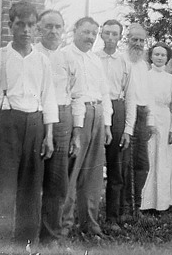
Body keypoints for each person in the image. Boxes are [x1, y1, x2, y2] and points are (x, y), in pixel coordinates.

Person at [0, 1, 58, 244]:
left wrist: (49, 135)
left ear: (36, 29)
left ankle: (26, 243)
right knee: (2, 189)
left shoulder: (42, 61)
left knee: (31, 190)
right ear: (11, 26)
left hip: (35, 125)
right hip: (6, 124)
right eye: (20, 24)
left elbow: (49, 97)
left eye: (31, 25)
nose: (25, 30)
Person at [62, 17, 113, 238]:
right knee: (71, 173)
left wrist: (108, 125)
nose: (90, 37)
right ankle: (63, 224)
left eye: (94, 33)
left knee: (93, 175)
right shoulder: (64, 55)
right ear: (75, 30)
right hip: (76, 116)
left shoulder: (94, 60)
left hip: (98, 114)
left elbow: (105, 93)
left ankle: (89, 224)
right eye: (86, 32)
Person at [36, 10, 81, 243]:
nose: (53, 31)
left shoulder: (68, 58)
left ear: (63, 29)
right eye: (48, 26)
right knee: (32, 177)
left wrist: (76, 133)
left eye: (57, 27)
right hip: (35, 115)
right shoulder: (31, 54)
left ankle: (50, 236)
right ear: (39, 28)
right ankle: (27, 232)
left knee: (57, 180)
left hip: (63, 117)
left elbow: (77, 96)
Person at [96, 19, 133, 232]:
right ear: (101, 34)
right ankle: (83, 214)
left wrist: (128, 128)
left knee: (115, 165)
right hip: (95, 107)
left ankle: (112, 216)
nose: (110, 37)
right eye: (107, 33)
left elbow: (130, 95)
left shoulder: (124, 62)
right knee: (88, 163)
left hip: (117, 108)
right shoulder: (93, 58)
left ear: (120, 37)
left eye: (115, 34)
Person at [140, 42, 172, 211]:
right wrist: (148, 123)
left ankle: (161, 203)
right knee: (149, 158)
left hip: (165, 118)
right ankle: (146, 202)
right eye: (156, 54)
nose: (160, 58)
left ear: (168, 59)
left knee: (163, 160)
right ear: (150, 56)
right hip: (148, 117)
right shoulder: (144, 76)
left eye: (163, 55)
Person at [123, 22, 154, 218]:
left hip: (142, 116)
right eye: (134, 39)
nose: (138, 43)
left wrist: (150, 120)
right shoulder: (121, 60)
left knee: (143, 164)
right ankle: (124, 206)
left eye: (142, 40)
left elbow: (147, 94)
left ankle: (137, 205)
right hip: (126, 114)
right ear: (127, 40)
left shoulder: (144, 65)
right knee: (125, 163)